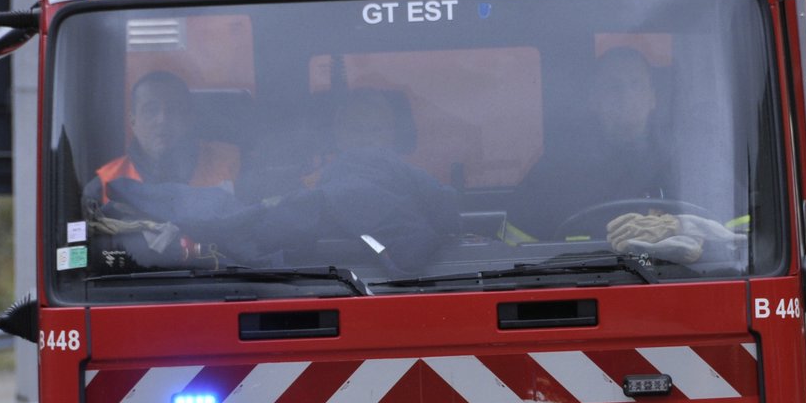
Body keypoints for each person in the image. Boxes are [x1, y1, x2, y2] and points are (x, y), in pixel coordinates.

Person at [104, 87, 458, 272]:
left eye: (375, 128)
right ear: (336, 132)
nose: (365, 138)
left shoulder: (410, 181)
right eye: (355, 128)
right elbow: (242, 211)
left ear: (395, 134)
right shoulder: (295, 179)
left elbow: (436, 222)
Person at [82, 70, 244, 265]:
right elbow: (83, 266)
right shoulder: (102, 186)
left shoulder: (235, 164)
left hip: (226, 285)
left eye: (174, 109)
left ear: (189, 118)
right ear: (133, 121)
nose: (162, 119)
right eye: (151, 110)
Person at [512, 47, 672, 239]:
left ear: (652, 97)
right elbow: (514, 252)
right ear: (594, 99)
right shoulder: (555, 169)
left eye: (636, 85)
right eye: (613, 87)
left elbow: (711, 241)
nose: (626, 97)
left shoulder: (678, 166)